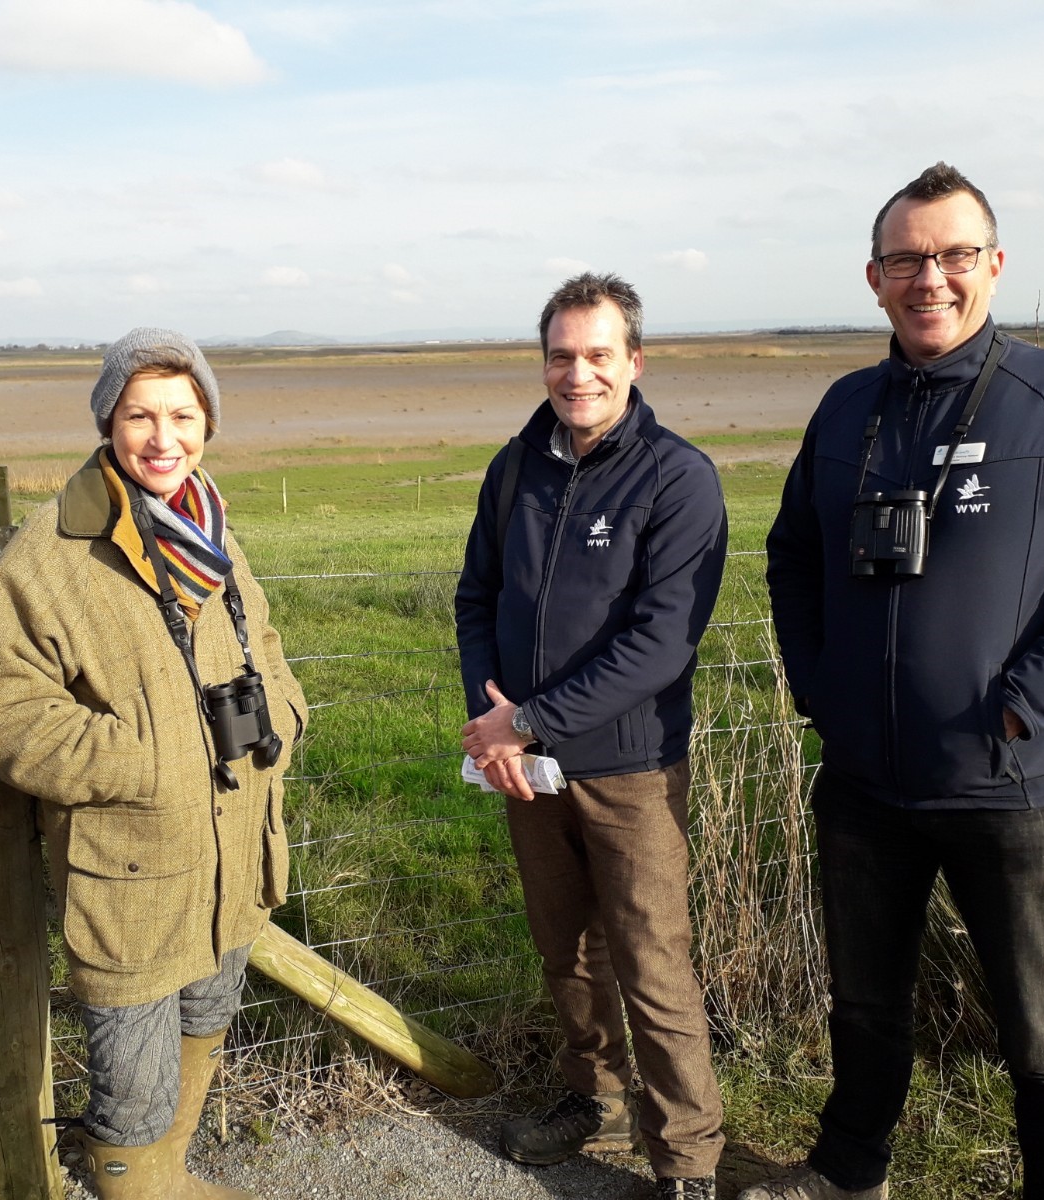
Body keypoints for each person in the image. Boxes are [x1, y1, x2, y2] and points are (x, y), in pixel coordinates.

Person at [749, 164, 1044, 1200]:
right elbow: (792, 555)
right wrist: (818, 690)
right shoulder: (849, 409)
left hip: (1009, 789)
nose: (928, 279)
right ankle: (847, 1175)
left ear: (993, 264)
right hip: (864, 784)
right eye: (905, 260)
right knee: (863, 1006)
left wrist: (1025, 696)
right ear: (873, 277)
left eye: (951, 256)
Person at [0, 327, 307, 1200]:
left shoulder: (209, 524)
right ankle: (134, 1182)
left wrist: (284, 717)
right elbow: (4, 711)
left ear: (208, 423)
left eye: (183, 415)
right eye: (140, 415)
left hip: (233, 841)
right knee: (132, 1074)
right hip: (132, 858)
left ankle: (171, 1174)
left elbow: (259, 640)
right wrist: (144, 761)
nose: (164, 437)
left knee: (207, 1012)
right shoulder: (55, 552)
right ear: (108, 421)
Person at [456, 272, 729, 1200]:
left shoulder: (677, 477)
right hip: (527, 766)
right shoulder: (515, 467)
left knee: (653, 961)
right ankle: (594, 1099)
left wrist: (524, 719)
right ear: (544, 362)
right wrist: (494, 727)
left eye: (598, 355)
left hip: (632, 770)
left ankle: (688, 1159)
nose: (579, 374)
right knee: (565, 948)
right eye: (562, 356)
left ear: (634, 361)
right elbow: (477, 600)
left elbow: (661, 643)